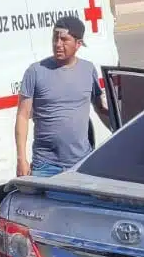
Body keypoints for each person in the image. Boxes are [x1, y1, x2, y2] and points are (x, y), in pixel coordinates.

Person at [15, 15, 108, 179]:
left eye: (64, 40)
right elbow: (22, 116)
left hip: (81, 162)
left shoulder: (88, 70)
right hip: (45, 165)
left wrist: (121, 132)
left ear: (78, 44)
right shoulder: (35, 72)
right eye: (55, 38)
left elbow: (101, 109)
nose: (58, 44)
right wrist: (21, 159)